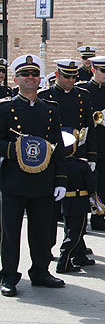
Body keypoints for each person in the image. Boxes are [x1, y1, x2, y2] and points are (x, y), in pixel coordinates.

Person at [0, 54, 67, 297]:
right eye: (25, 75)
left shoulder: (50, 109)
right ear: (16, 78)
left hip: (43, 180)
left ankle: (40, 271)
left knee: (41, 230)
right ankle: (8, 275)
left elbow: (57, 145)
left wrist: (61, 179)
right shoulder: (5, 109)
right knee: (10, 231)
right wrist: (14, 150)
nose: (30, 78)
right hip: (14, 180)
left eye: (34, 74)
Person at [38, 59, 97, 267]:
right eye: (67, 76)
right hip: (53, 156)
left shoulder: (82, 96)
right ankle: (46, 250)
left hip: (76, 155)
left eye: (74, 76)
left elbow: (89, 127)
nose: (71, 80)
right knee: (52, 209)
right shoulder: (44, 97)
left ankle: (77, 250)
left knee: (77, 205)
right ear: (57, 75)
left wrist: (91, 157)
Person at [77, 56, 105, 232]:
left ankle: (99, 216)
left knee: (101, 183)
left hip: (103, 140)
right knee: (83, 182)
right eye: (103, 71)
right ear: (93, 70)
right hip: (86, 141)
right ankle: (80, 218)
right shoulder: (82, 88)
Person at [56, 129, 97, 273]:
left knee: (72, 230)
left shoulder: (59, 165)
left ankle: (80, 256)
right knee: (75, 233)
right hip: (79, 202)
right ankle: (64, 261)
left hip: (66, 203)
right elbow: (91, 185)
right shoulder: (81, 165)